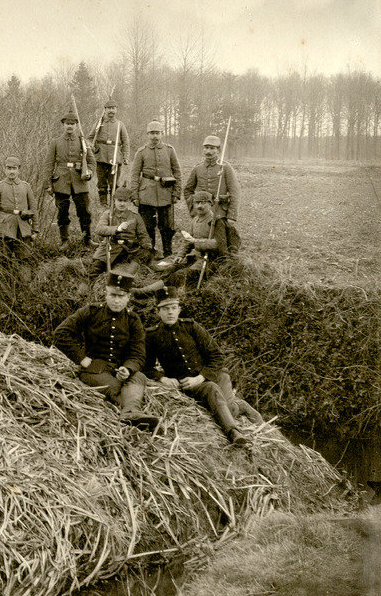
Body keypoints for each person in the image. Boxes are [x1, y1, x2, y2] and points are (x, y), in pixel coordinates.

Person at [144, 287, 262, 446]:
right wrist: (162, 379)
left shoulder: (191, 327)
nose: (170, 312)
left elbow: (217, 356)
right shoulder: (152, 336)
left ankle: (240, 406)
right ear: (158, 311)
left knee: (229, 409)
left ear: (179, 309)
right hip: (191, 385)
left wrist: (200, 377)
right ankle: (233, 432)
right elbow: (146, 367)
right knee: (212, 390)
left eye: (173, 307)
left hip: (215, 375)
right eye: (165, 309)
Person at [54, 272, 159, 430]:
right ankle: (132, 412)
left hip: (119, 368)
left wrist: (128, 369)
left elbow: (137, 353)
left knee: (139, 377)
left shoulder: (133, 320)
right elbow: (60, 333)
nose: (116, 300)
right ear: (106, 293)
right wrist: (81, 358)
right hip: (94, 370)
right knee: (115, 386)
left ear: (128, 297)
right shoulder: (91, 312)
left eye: (121, 296)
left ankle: (130, 413)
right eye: (112, 295)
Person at [129, 119, 181, 259]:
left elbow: (177, 172)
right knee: (147, 226)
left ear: (162, 134)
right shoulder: (141, 152)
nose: (154, 136)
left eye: (157, 133)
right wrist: (135, 195)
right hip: (146, 194)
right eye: (152, 133)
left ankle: (168, 252)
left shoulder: (169, 150)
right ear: (147, 134)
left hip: (165, 193)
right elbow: (134, 175)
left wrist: (176, 192)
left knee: (167, 226)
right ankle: (150, 252)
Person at [44, 111, 96, 245]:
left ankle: (87, 239)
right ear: (63, 125)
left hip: (80, 181)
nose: (69, 126)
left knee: (84, 212)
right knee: (62, 213)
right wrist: (47, 184)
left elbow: (91, 161)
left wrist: (88, 172)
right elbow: (49, 164)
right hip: (61, 181)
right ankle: (65, 241)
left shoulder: (83, 142)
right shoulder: (55, 142)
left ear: (76, 126)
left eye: (72, 124)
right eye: (67, 123)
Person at [155, 190, 228, 274]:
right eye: (197, 203)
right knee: (169, 269)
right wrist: (180, 255)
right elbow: (188, 241)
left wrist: (195, 241)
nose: (199, 206)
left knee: (184, 274)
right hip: (195, 256)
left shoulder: (216, 221)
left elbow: (218, 244)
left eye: (203, 203)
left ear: (210, 204)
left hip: (210, 258)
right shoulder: (195, 220)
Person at [0, 156, 39, 267]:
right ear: (4, 169)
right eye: (9, 168)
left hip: (23, 228)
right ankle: (6, 278)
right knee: (4, 260)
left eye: (14, 168)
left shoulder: (26, 186)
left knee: (25, 259)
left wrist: (35, 229)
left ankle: (25, 278)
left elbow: (33, 208)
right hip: (5, 228)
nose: (11, 171)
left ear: (19, 170)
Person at [88, 186, 152, 277]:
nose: (122, 204)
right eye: (119, 200)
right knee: (95, 268)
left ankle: (128, 275)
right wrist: (117, 229)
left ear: (129, 202)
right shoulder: (108, 214)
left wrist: (146, 244)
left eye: (125, 201)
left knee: (145, 254)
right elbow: (99, 229)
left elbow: (143, 235)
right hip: (111, 248)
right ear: (114, 200)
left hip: (130, 250)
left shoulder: (135, 217)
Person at [184, 135, 240, 224]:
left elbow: (234, 192)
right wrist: (193, 207)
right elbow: (187, 190)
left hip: (220, 213)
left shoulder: (225, 167)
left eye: (212, 148)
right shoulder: (197, 168)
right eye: (206, 148)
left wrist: (231, 216)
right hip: (201, 214)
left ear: (218, 150)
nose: (208, 151)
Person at [89, 99, 130, 207]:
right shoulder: (99, 123)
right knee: (101, 182)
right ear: (105, 110)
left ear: (116, 110)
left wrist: (125, 157)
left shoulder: (120, 124)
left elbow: (126, 142)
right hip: (100, 156)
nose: (111, 111)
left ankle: (113, 204)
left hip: (115, 157)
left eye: (113, 108)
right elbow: (89, 138)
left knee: (114, 183)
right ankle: (103, 203)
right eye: (109, 108)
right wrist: (90, 146)